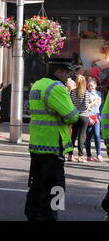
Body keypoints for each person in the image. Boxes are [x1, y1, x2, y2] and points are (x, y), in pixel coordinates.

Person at [25, 57, 79, 221]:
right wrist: (68, 93)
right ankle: (51, 217)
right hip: (54, 147)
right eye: (67, 72)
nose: (69, 76)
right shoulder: (57, 87)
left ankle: (32, 215)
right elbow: (72, 116)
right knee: (56, 187)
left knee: (36, 185)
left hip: (37, 145)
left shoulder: (38, 84)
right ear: (58, 71)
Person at [68, 75, 91, 163]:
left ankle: (70, 155)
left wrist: (76, 111)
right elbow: (85, 105)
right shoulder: (86, 92)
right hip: (84, 116)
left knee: (73, 135)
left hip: (75, 116)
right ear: (84, 82)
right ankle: (80, 157)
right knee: (81, 136)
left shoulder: (72, 92)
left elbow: (70, 103)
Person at [85, 79, 103, 162]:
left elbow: (100, 106)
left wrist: (99, 117)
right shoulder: (86, 94)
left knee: (97, 135)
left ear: (95, 86)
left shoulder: (99, 94)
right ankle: (89, 155)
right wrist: (88, 118)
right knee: (88, 137)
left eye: (92, 86)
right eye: (89, 86)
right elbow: (85, 107)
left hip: (96, 117)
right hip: (89, 117)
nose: (90, 87)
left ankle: (98, 154)